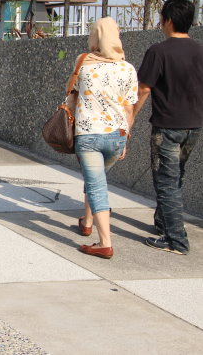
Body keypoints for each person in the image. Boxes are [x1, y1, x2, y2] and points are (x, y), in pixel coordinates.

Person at [132, 0, 203, 255]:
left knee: (166, 182)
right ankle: (164, 223)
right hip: (194, 126)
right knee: (176, 176)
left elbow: (143, 89)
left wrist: (129, 118)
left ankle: (175, 240)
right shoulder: (199, 49)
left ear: (168, 20)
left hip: (167, 127)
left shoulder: (159, 51)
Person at [73, 17, 138, 259]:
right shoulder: (127, 68)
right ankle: (87, 221)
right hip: (116, 135)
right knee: (97, 180)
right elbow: (130, 108)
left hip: (88, 134)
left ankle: (105, 243)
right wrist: (125, 138)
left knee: (96, 184)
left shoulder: (84, 64)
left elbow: (72, 94)